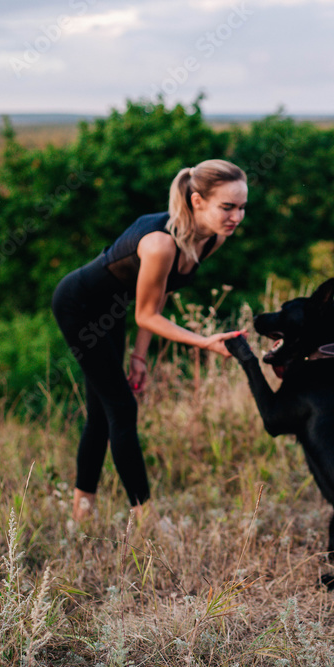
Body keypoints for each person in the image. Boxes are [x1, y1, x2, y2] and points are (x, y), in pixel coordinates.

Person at [52, 159, 247, 521]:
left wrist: (139, 356)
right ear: (197, 201)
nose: (236, 216)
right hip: (78, 306)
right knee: (122, 408)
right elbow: (146, 314)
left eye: (241, 207)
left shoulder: (212, 239)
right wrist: (204, 341)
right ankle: (146, 520)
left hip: (112, 308)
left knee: (103, 410)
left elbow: (157, 297)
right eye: (227, 207)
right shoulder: (160, 244)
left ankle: (81, 510)